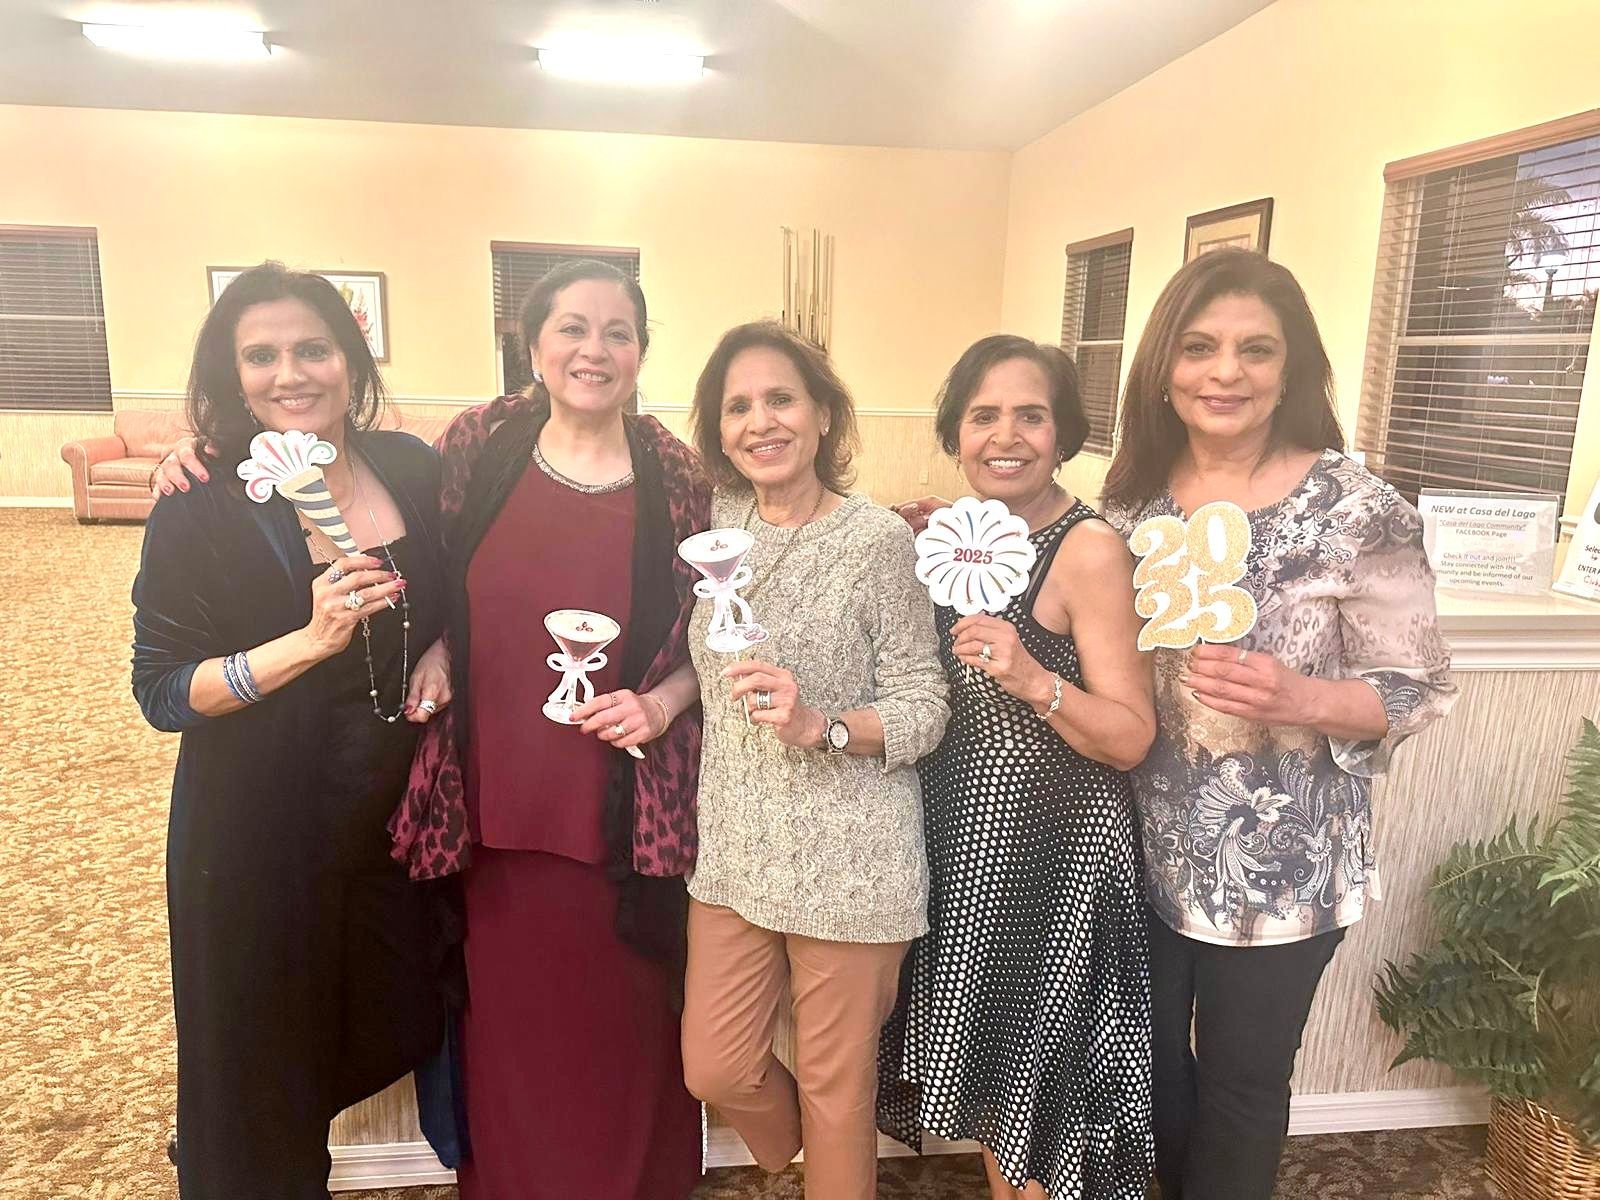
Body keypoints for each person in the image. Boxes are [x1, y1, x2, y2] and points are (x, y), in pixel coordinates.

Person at [153, 259, 711, 1197]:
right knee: (258, 1063)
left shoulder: (438, 465)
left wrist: (655, 702)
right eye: (570, 327)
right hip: (356, 813)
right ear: (530, 347)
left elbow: (702, 620)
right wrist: (314, 632)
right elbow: (162, 685)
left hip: (540, 806)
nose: (593, 348)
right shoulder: (467, 449)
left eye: (618, 331)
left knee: (448, 1015)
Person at [1098, 248, 1456, 1200]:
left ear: (1292, 366)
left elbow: (1417, 689)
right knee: (1150, 1076)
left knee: (1241, 1088)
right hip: (1135, 843)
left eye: (1256, 349)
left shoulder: (1358, 508)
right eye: (1200, 347)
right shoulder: (1130, 500)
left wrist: (1302, 698)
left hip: (1284, 861)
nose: (1226, 372)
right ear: (1163, 368)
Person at [132, 262, 446, 1198]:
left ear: (352, 361)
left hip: (389, 829)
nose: (290, 373)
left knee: (401, 1012)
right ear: (233, 378)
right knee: (258, 1095)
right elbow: (162, 691)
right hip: (253, 839)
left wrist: (445, 655)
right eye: (260, 355)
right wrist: (306, 643)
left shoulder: (412, 469)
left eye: (312, 348)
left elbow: (462, 595)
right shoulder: (203, 501)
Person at [880, 336, 1157, 1200]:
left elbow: (1132, 735)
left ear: (1063, 431)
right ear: (956, 434)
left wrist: (1037, 680)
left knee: (1042, 1111)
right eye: (984, 415)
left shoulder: (1088, 550)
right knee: (1002, 1098)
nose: (1007, 435)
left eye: (1030, 415)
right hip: (961, 859)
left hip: (1055, 866)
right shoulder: (952, 540)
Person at [677, 322, 949, 1200]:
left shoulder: (878, 543)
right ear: (720, 431)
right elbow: (702, 663)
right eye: (738, 407)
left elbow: (925, 708)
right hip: (734, 852)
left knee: (840, 1096)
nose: (761, 421)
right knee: (715, 1068)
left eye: (781, 399)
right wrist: (660, 699)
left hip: (854, 859)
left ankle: (833, 1165)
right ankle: (801, 1153)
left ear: (824, 416)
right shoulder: (718, 532)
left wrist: (824, 725)